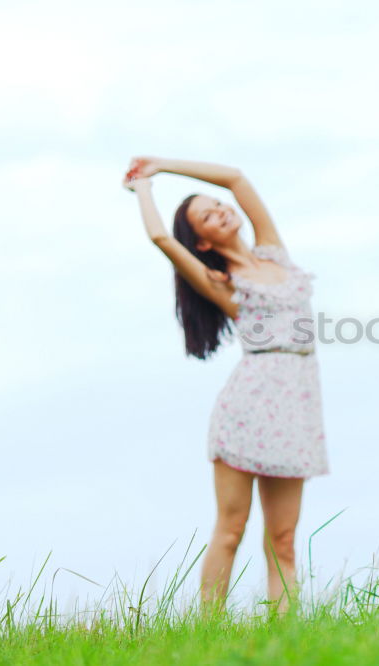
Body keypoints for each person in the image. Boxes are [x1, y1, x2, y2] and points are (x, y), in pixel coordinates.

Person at [122, 157, 330, 617]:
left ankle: (286, 631)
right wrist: (143, 188)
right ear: (202, 240)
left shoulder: (274, 253)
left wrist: (162, 163)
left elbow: (236, 179)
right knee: (231, 528)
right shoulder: (223, 284)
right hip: (249, 407)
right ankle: (209, 628)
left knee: (284, 537)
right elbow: (160, 238)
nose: (221, 210)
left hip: (297, 407)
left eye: (218, 205)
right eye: (208, 216)